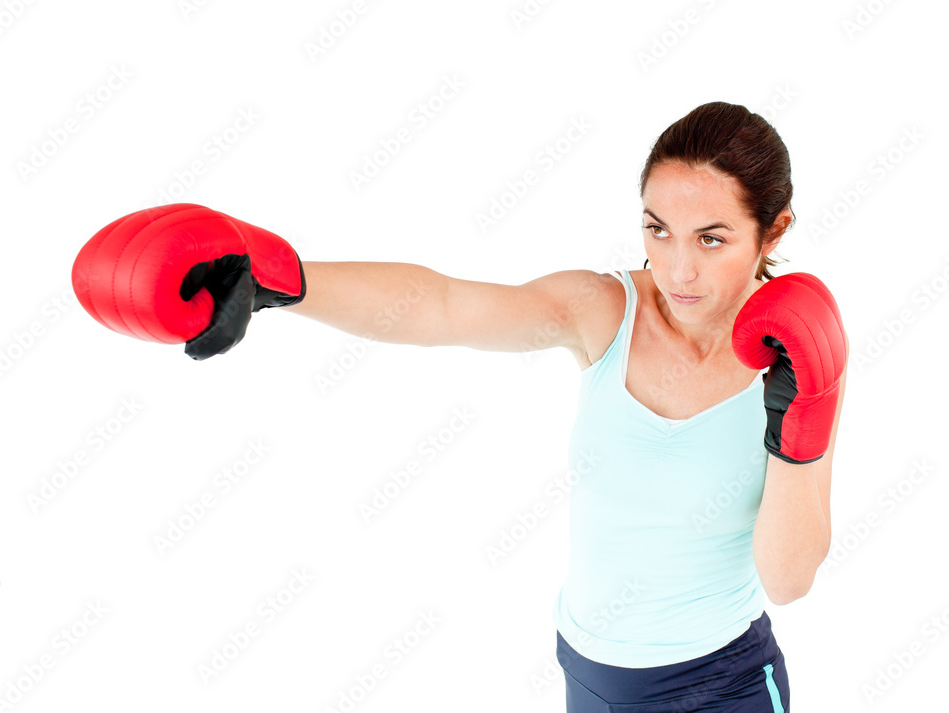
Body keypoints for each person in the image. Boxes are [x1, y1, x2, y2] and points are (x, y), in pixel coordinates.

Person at [71, 101, 848, 712]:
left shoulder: (798, 357)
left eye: (711, 239)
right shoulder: (605, 310)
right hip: (589, 671)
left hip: (719, 686)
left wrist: (799, 420)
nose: (677, 268)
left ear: (772, 230)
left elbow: (788, 579)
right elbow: (439, 305)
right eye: (658, 229)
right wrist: (287, 279)